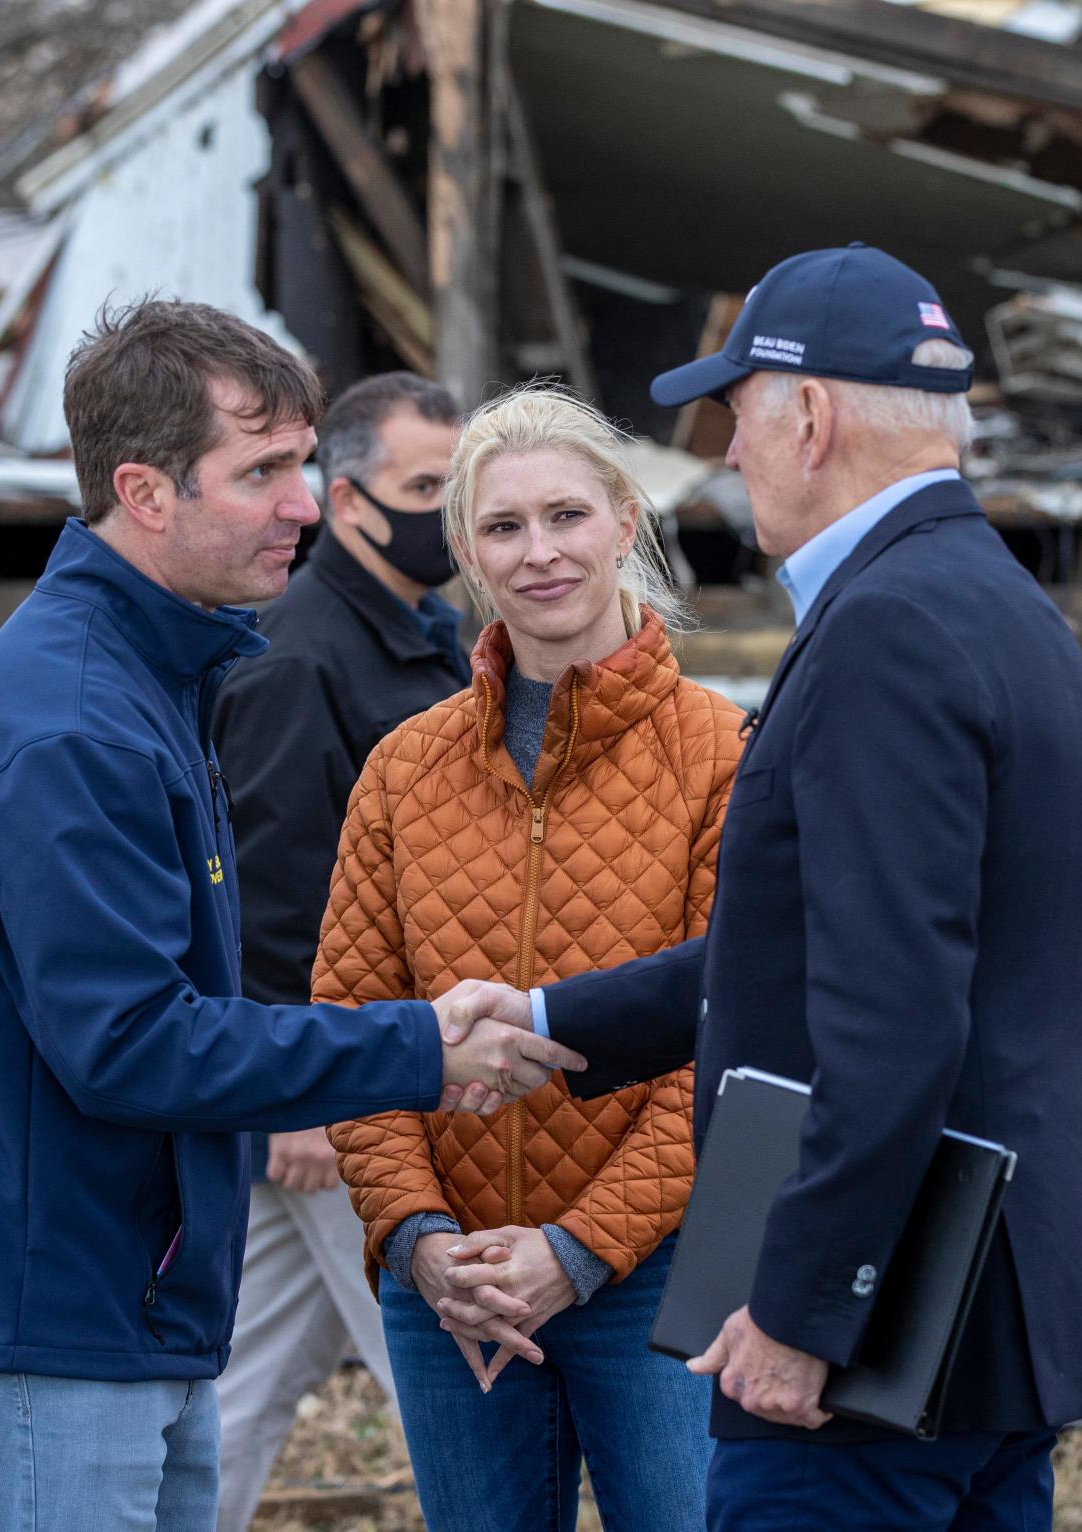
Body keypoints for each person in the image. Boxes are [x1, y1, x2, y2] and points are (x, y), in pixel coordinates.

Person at [0, 299, 583, 1532]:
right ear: (145, 491)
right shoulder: (71, 726)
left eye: (302, 462)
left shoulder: (156, 674)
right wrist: (419, 1047)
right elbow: (131, 1040)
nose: (307, 503)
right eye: (263, 471)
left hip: (126, 1294)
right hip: (55, 1311)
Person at [440, 246, 1082, 1531]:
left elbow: (895, 1010)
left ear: (810, 413)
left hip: (871, 1337)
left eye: (739, 414)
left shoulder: (886, 627)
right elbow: (809, 948)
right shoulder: (1007, 606)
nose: (732, 454)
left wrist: (806, 1311)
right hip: (989, 1310)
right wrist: (544, 1019)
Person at [314, 386, 744, 1532]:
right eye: (504, 527)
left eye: (566, 515)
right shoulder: (404, 769)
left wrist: (578, 1248)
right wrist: (420, 1240)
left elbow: (735, 1037)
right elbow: (355, 1024)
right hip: (451, 1283)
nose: (540, 551)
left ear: (623, 519)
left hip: (652, 1269)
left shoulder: (722, 754)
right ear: (466, 550)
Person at [210, 371, 466, 1532]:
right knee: (459, 1373)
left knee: (242, 1380)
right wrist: (295, 1096)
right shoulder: (299, 657)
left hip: (395, 1058)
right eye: (428, 488)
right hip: (349, 1085)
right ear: (349, 501)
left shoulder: (430, 632)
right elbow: (273, 895)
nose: (452, 511)